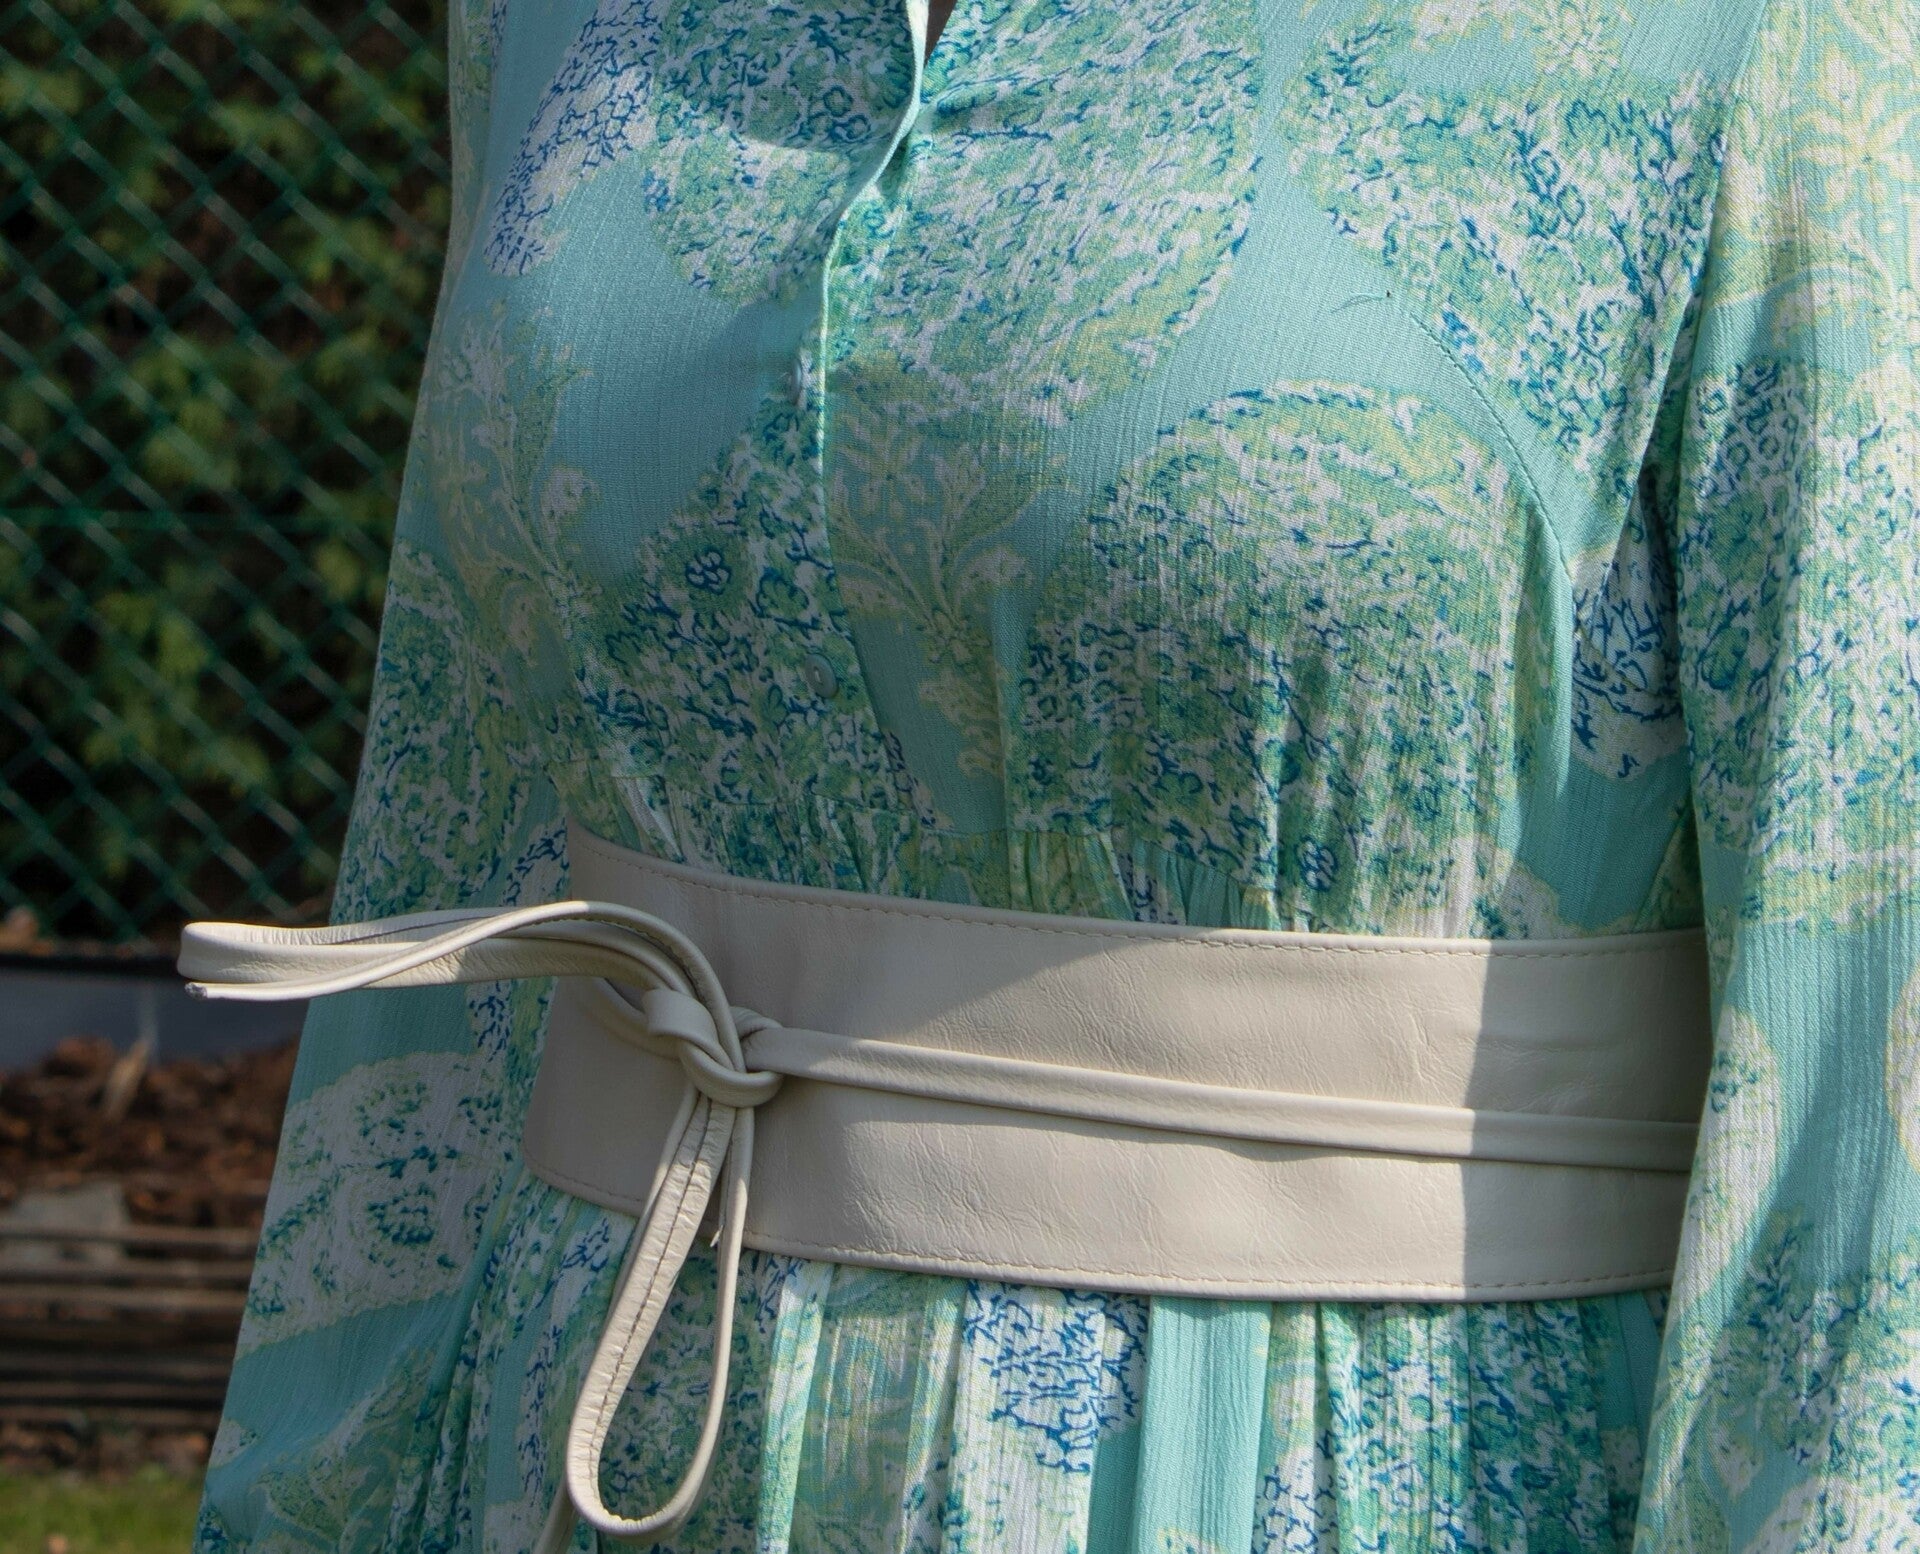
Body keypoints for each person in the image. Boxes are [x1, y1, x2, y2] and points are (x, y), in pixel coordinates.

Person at [192, 0, 1920, 1548]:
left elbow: (1865, 1024)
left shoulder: (1761, 33)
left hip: (1347, 1458)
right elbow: (461, 803)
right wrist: (319, 1476)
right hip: (582, 1426)